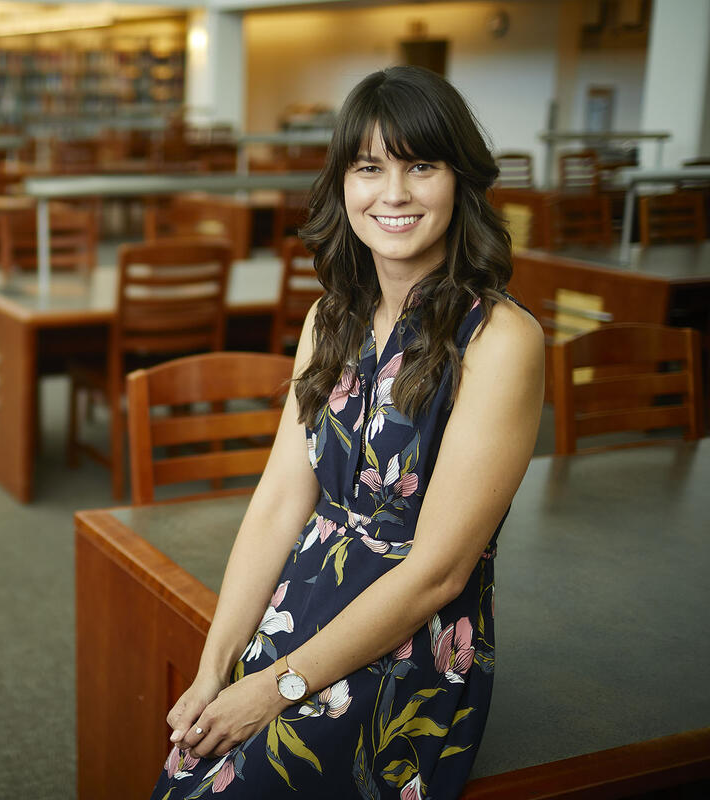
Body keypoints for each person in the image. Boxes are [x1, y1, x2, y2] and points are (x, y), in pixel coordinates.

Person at [149, 66, 544, 799]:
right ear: (343, 185)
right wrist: (214, 667)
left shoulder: (499, 339)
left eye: (420, 167)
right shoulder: (331, 318)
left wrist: (273, 687)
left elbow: (438, 573)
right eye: (369, 168)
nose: (393, 193)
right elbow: (279, 502)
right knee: (188, 778)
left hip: (411, 644)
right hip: (303, 607)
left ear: (460, 182)